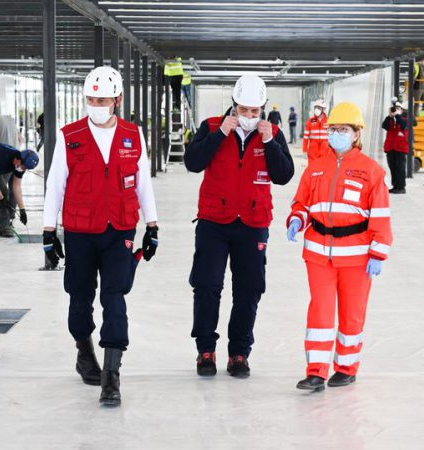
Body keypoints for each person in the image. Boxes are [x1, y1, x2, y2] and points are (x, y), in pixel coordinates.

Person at [42, 66, 159, 408]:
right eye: (91, 98)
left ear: (117, 100)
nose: (96, 104)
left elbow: (143, 182)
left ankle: (111, 377)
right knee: (80, 299)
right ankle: (84, 352)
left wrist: (152, 226)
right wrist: (49, 232)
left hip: (120, 230)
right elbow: (55, 184)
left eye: (103, 99)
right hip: (80, 232)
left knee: (115, 298)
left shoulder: (132, 135)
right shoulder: (70, 135)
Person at [185, 74, 294, 379]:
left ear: (261, 110)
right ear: (233, 106)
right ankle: (205, 350)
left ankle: (239, 354)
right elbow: (193, 162)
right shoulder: (209, 127)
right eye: (243, 110)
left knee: (248, 290)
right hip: (213, 222)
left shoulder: (271, 132)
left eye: (254, 111)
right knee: (207, 286)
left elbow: (284, 175)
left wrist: (271, 142)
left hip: (253, 222)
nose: (248, 117)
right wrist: (220, 133)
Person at [286, 102, 392, 391]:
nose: (337, 134)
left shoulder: (371, 171)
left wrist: (378, 252)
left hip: (357, 257)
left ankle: (346, 368)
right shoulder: (316, 167)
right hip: (318, 253)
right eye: (333, 129)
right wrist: (296, 220)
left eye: (343, 130)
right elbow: (302, 203)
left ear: (356, 134)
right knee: (319, 311)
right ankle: (316, 372)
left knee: (352, 313)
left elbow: (381, 215)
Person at [382, 104, 409, 194]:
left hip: (400, 148)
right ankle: (395, 186)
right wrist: (389, 116)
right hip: (390, 148)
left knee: (400, 168)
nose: (395, 110)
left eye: (398, 109)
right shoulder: (390, 120)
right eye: (394, 109)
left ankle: (401, 187)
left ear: (402, 110)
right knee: (393, 168)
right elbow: (384, 126)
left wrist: (397, 115)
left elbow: (404, 125)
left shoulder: (405, 118)